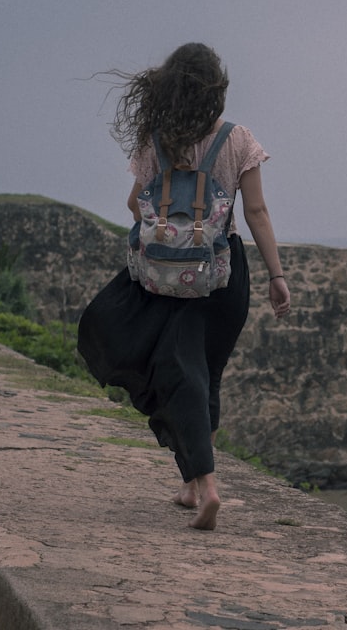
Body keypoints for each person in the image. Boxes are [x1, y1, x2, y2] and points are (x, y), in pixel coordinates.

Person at [78, 43, 291, 531]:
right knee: (207, 373)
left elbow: (134, 204)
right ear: (216, 90)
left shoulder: (157, 142)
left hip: (171, 277)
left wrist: (167, 231)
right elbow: (255, 212)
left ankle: (205, 485)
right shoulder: (239, 141)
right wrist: (277, 277)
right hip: (225, 272)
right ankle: (193, 484)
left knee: (184, 374)